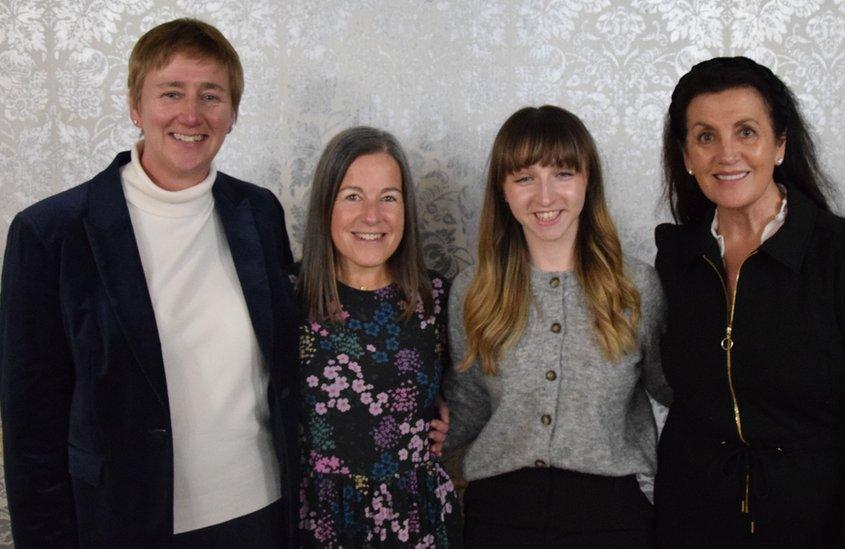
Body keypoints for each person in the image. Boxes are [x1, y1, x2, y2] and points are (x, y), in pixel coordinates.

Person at [0, 19, 299, 547]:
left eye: (212, 95)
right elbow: (30, 426)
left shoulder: (258, 211)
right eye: (171, 93)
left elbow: (293, 355)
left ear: (231, 114)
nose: (192, 114)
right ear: (136, 107)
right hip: (125, 520)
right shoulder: (51, 233)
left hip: (262, 512)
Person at [653, 56, 845, 547]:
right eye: (706, 136)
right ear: (686, 156)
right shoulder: (677, 258)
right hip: (692, 526)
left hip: (817, 529)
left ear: (780, 145)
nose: (726, 154)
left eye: (746, 132)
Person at [442, 105, 672, 548]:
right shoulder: (474, 289)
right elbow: (467, 399)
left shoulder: (635, 286)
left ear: (588, 182)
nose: (545, 197)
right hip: (499, 514)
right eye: (525, 177)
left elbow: (671, 388)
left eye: (563, 174)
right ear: (503, 191)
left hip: (613, 515)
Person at [295, 126, 462, 547]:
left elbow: (478, 392)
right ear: (325, 206)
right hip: (317, 522)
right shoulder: (286, 299)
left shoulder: (439, 298)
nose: (373, 216)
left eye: (388, 197)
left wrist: (459, 424)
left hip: (418, 520)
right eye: (353, 196)